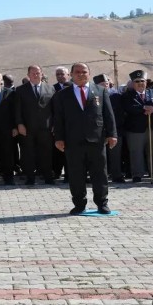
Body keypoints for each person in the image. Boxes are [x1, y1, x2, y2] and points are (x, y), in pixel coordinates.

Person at [53, 63, 117, 214]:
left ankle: (102, 203)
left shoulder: (100, 91)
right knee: (76, 174)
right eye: (77, 72)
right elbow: (59, 119)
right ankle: (79, 204)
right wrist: (59, 138)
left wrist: (112, 134)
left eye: (84, 72)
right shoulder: (62, 95)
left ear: (89, 73)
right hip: (73, 141)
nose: (81, 74)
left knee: (100, 173)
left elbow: (108, 114)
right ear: (71, 75)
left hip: (97, 139)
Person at [15, 65, 56, 185]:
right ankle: (30, 178)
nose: (35, 75)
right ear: (28, 75)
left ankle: (48, 177)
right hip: (27, 128)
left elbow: (54, 109)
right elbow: (17, 109)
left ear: (42, 74)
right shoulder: (20, 90)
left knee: (46, 153)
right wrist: (19, 124)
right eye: (33, 73)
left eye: (38, 73)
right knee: (28, 154)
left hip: (46, 128)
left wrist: (54, 124)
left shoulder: (50, 88)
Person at [122, 70, 153, 182]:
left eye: (142, 81)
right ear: (133, 83)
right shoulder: (127, 95)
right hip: (135, 129)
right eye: (137, 81)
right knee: (136, 152)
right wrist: (143, 108)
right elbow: (128, 107)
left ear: (146, 82)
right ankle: (137, 174)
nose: (140, 83)